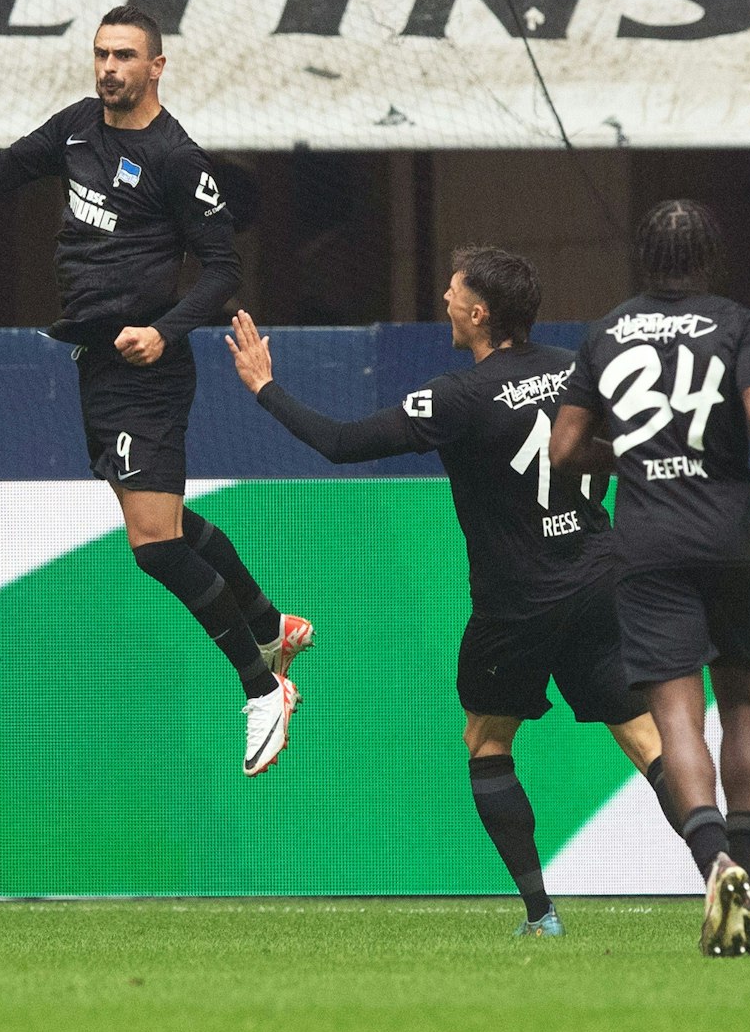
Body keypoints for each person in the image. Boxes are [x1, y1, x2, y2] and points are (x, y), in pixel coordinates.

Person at [228, 247, 681, 936]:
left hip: (517, 603)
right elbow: (640, 444)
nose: (444, 297)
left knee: (487, 740)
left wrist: (265, 387)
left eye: (454, 289)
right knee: (647, 738)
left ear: (479, 313)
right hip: (598, 579)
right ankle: (736, 879)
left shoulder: (458, 396)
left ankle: (541, 913)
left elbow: (342, 443)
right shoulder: (578, 367)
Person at [0, 5, 312, 779]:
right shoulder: (78, 126)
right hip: (97, 361)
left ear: (156, 66)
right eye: (102, 53)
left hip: (148, 368)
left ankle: (261, 686)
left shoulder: (177, 158)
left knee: (154, 546)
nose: (109, 67)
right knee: (163, 523)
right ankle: (271, 624)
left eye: (125, 56)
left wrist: (165, 332)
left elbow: (223, 271)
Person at [549, 200, 750, 958]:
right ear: (711, 257)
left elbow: (563, 450)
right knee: (741, 701)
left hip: (648, 542)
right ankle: (749, 876)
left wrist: (629, 456)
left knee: (678, 719)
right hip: (728, 535)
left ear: (643, 259)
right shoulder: (740, 323)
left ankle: (714, 863)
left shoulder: (606, 333)